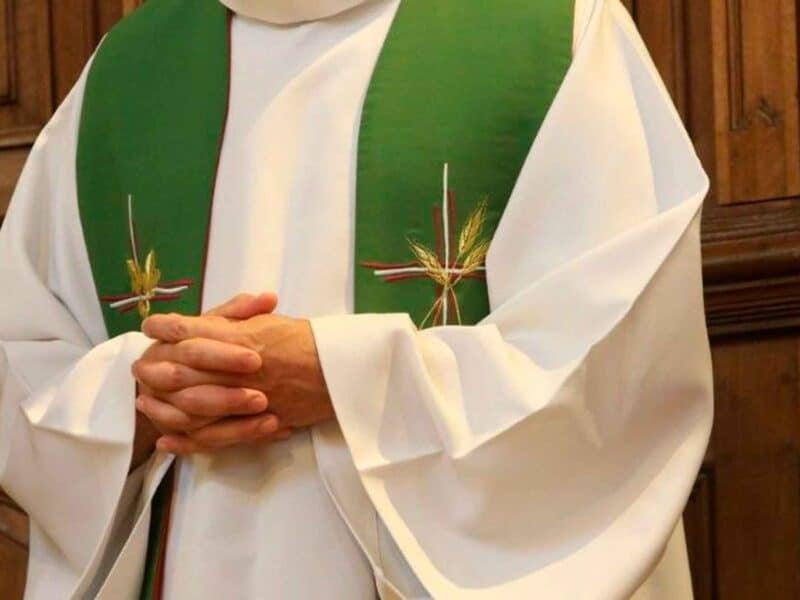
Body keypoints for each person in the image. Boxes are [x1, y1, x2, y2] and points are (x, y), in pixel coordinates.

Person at [0, 0, 712, 598]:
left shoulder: (553, 29)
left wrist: (344, 375)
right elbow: (25, 357)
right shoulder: (129, 68)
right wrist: (138, 398)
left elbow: (616, 362)